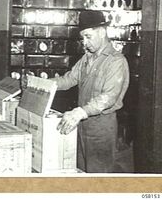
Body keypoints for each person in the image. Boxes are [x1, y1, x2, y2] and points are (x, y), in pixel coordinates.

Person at [53, 10, 130, 173]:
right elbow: (69, 79)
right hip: (81, 124)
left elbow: (108, 97)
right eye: (82, 38)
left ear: (102, 32)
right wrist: (43, 84)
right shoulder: (87, 58)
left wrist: (80, 111)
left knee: (98, 176)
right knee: (81, 172)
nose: (84, 43)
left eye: (88, 36)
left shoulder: (116, 61)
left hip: (101, 127)